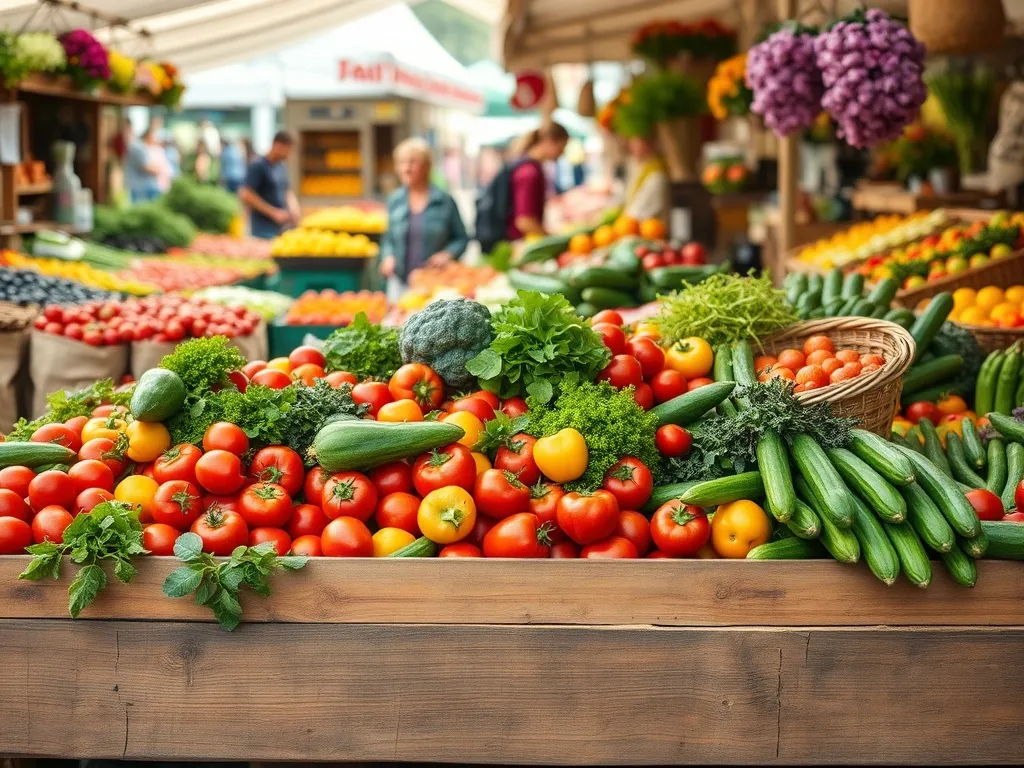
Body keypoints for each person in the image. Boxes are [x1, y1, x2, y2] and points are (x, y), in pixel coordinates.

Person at [379, 137, 468, 302]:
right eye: (401, 163)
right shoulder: (395, 200)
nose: (406, 168)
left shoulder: (444, 201)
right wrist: (388, 256)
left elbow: (462, 238)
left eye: (412, 162)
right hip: (399, 282)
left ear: (427, 166)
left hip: (435, 284)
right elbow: (388, 238)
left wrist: (448, 254)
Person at [507, 122, 569, 239]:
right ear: (549, 141)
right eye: (561, 148)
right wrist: (552, 238)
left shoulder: (534, 168)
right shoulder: (529, 172)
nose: (562, 153)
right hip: (519, 241)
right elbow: (524, 221)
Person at [239, 131, 300, 240]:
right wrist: (273, 213)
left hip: (281, 227)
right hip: (262, 229)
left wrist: (294, 208)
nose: (289, 154)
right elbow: (246, 194)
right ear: (277, 145)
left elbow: (286, 189)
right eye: (288, 150)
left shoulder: (281, 166)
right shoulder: (258, 166)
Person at [621, 134, 670, 225]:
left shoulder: (657, 176)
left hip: (649, 230)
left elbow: (635, 216)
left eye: (634, 140)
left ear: (648, 144)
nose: (629, 145)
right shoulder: (640, 168)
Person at [124, 120, 169, 202]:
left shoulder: (142, 147)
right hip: (140, 188)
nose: (156, 139)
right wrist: (158, 168)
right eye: (155, 136)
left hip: (142, 187)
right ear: (149, 136)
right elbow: (148, 168)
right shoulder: (138, 148)